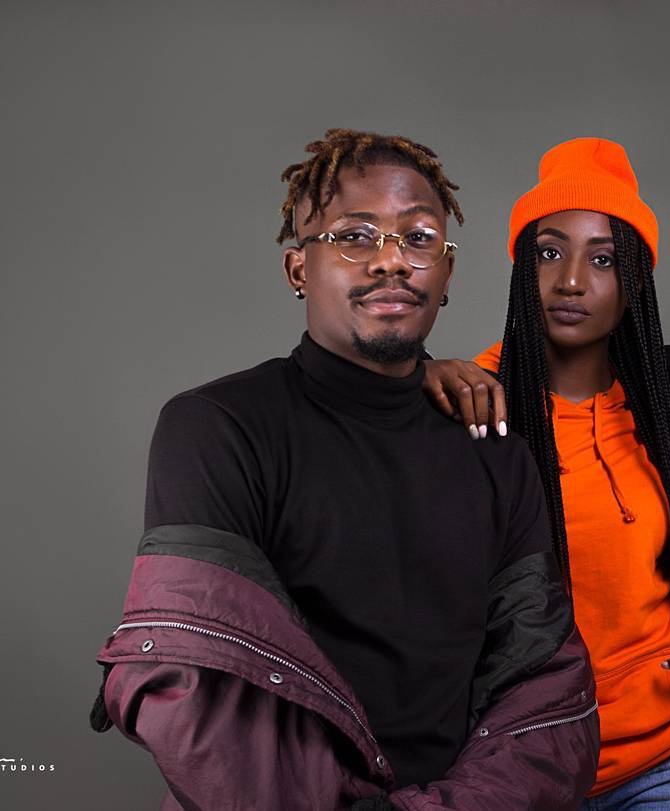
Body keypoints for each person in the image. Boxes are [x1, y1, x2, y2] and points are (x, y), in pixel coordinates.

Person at [89, 129, 599, 810]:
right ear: (298, 270)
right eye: (355, 236)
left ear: (446, 275)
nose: (392, 260)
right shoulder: (216, 427)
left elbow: (545, 691)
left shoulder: (495, 448)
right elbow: (194, 694)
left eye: (419, 238)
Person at [424, 138, 670, 810]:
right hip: (521, 768)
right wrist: (414, 371)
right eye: (548, 252)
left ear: (634, 280)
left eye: (604, 258)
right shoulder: (472, 409)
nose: (570, 281)